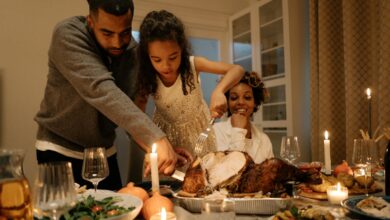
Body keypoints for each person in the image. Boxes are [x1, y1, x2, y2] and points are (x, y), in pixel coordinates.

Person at [34, 0, 185, 191]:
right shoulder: (67, 34)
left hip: (104, 153)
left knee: (118, 212)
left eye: (125, 32)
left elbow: (128, 111)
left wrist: (155, 149)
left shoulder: (132, 52)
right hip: (58, 150)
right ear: (90, 22)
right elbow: (101, 90)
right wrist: (157, 138)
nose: (117, 42)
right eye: (107, 33)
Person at [136, 10, 245, 159]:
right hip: (166, 139)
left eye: (173, 57)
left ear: (181, 49)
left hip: (200, 136)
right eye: (157, 60)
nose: (166, 66)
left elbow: (237, 69)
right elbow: (136, 121)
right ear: (147, 56)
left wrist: (219, 91)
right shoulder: (147, 76)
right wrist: (152, 149)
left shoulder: (194, 65)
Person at [213, 71, 274, 164]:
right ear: (227, 103)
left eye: (247, 97)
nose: (240, 102)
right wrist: (238, 130)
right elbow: (229, 172)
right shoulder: (215, 132)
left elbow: (270, 174)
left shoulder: (264, 140)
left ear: (255, 103)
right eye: (234, 97)